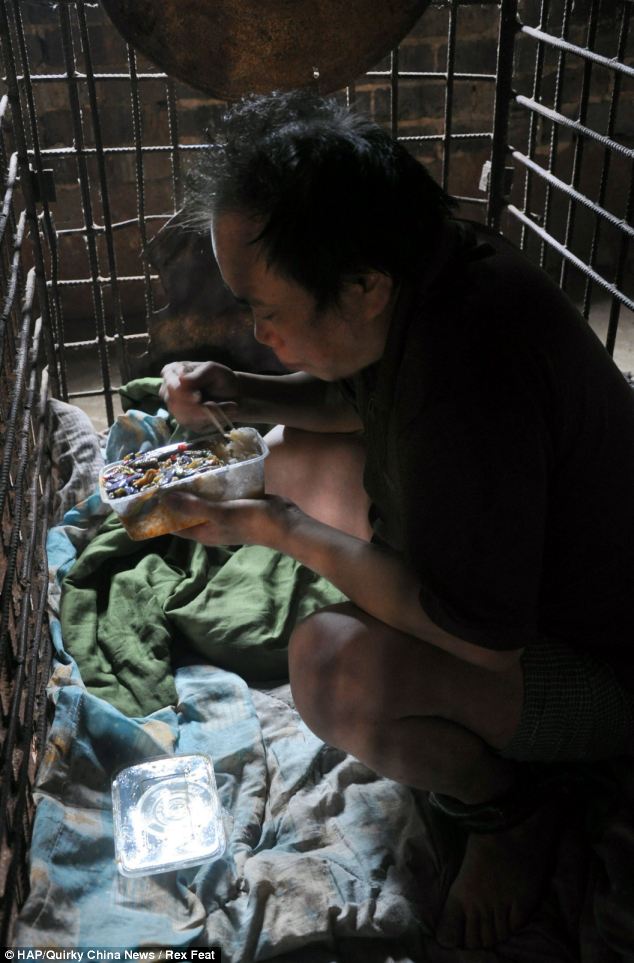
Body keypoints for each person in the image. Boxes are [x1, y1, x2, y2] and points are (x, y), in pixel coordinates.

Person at [160, 90, 634, 949]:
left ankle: (509, 811)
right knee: (290, 453)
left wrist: (278, 527)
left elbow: (482, 638)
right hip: (514, 576)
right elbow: (353, 398)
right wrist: (245, 390)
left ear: (362, 287)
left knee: (328, 666)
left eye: (267, 311)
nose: (255, 331)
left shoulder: (467, 381)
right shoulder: (423, 270)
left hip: (598, 667)